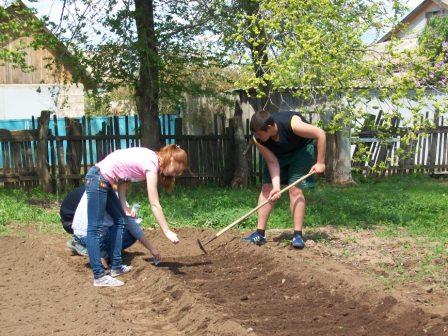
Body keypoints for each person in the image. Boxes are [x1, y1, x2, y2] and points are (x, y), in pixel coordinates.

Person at [85, 144, 187, 287]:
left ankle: (116, 267)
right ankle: (99, 276)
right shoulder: (151, 164)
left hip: (104, 180)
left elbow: (122, 176)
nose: (173, 174)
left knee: (120, 220)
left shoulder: (150, 157)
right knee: (94, 229)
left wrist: (123, 205)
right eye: (175, 170)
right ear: (170, 158)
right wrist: (167, 230)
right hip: (98, 179)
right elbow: (154, 203)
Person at [243, 110, 326, 249]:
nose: (256, 136)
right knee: (267, 188)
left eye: (259, 133)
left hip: (301, 152)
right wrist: (276, 187)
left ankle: (298, 235)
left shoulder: (293, 124)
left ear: (269, 128)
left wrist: (320, 162)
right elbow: (272, 162)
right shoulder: (258, 139)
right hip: (278, 156)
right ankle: (260, 234)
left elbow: (320, 133)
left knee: (295, 189)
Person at [63, 185, 161, 265]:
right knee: (128, 233)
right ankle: (100, 253)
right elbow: (131, 225)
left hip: (77, 229)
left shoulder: (95, 187)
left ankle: (89, 247)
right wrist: (152, 249)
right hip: (85, 231)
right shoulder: (114, 195)